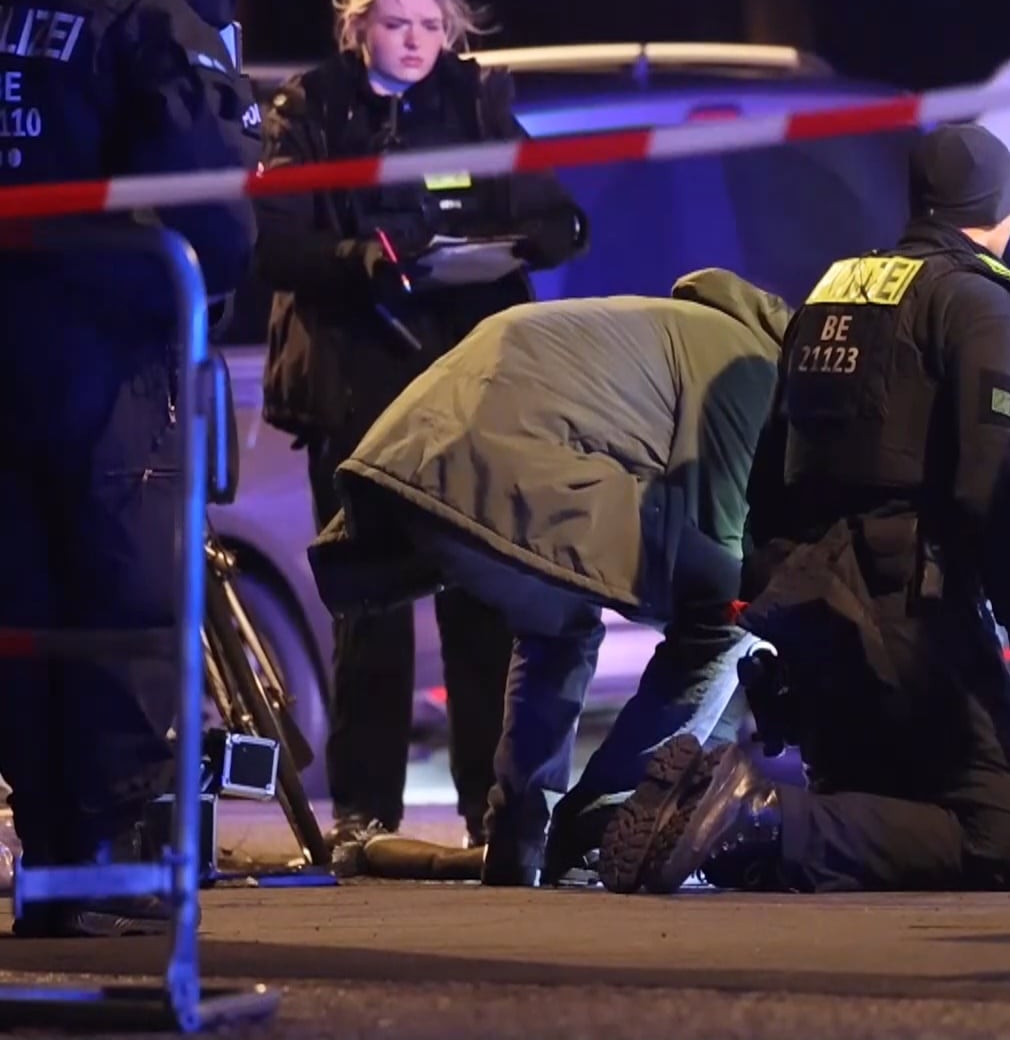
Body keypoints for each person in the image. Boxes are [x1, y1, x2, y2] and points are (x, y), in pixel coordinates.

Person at [593, 123, 1010, 896]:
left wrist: (769, 600)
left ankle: (742, 836)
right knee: (997, 833)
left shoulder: (836, 286)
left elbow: (773, 458)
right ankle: (761, 818)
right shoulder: (977, 299)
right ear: (1002, 208)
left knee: (879, 803)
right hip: (905, 606)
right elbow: (993, 483)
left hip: (810, 601)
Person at [253, 0, 588, 850]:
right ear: (358, 26)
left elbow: (559, 215)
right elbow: (278, 244)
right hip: (354, 386)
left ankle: (491, 809)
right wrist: (361, 259)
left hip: (467, 385)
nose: (414, 40)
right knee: (369, 607)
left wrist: (523, 241)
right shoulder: (311, 109)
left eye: (428, 25)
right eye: (396, 23)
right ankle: (365, 814)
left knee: (479, 600)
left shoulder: (477, 106)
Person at [307, 270, 787, 886]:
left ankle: (519, 836)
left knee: (559, 621)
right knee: (727, 620)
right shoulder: (749, 366)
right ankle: (611, 815)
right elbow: (717, 549)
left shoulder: (680, 329)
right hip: (501, 451)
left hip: (422, 456)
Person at [0, 0, 258, 937]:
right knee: (124, 594)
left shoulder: (11, 12)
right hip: (111, 348)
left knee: (23, 604)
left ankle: (54, 855)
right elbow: (213, 202)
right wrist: (197, 300)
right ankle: (110, 867)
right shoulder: (149, 18)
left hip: (8, 342)